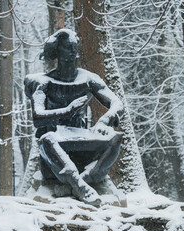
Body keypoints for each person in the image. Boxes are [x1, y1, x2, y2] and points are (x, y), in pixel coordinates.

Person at [24, 29, 124, 205]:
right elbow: (37, 117)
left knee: (115, 138)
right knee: (47, 139)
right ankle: (80, 186)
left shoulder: (88, 79)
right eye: (67, 47)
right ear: (57, 50)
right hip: (54, 151)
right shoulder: (42, 82)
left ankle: (84, 179)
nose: (72, 51)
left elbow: (117, 103)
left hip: (81, 142)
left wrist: (104, 120)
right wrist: (67, 111)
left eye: (74, 47)